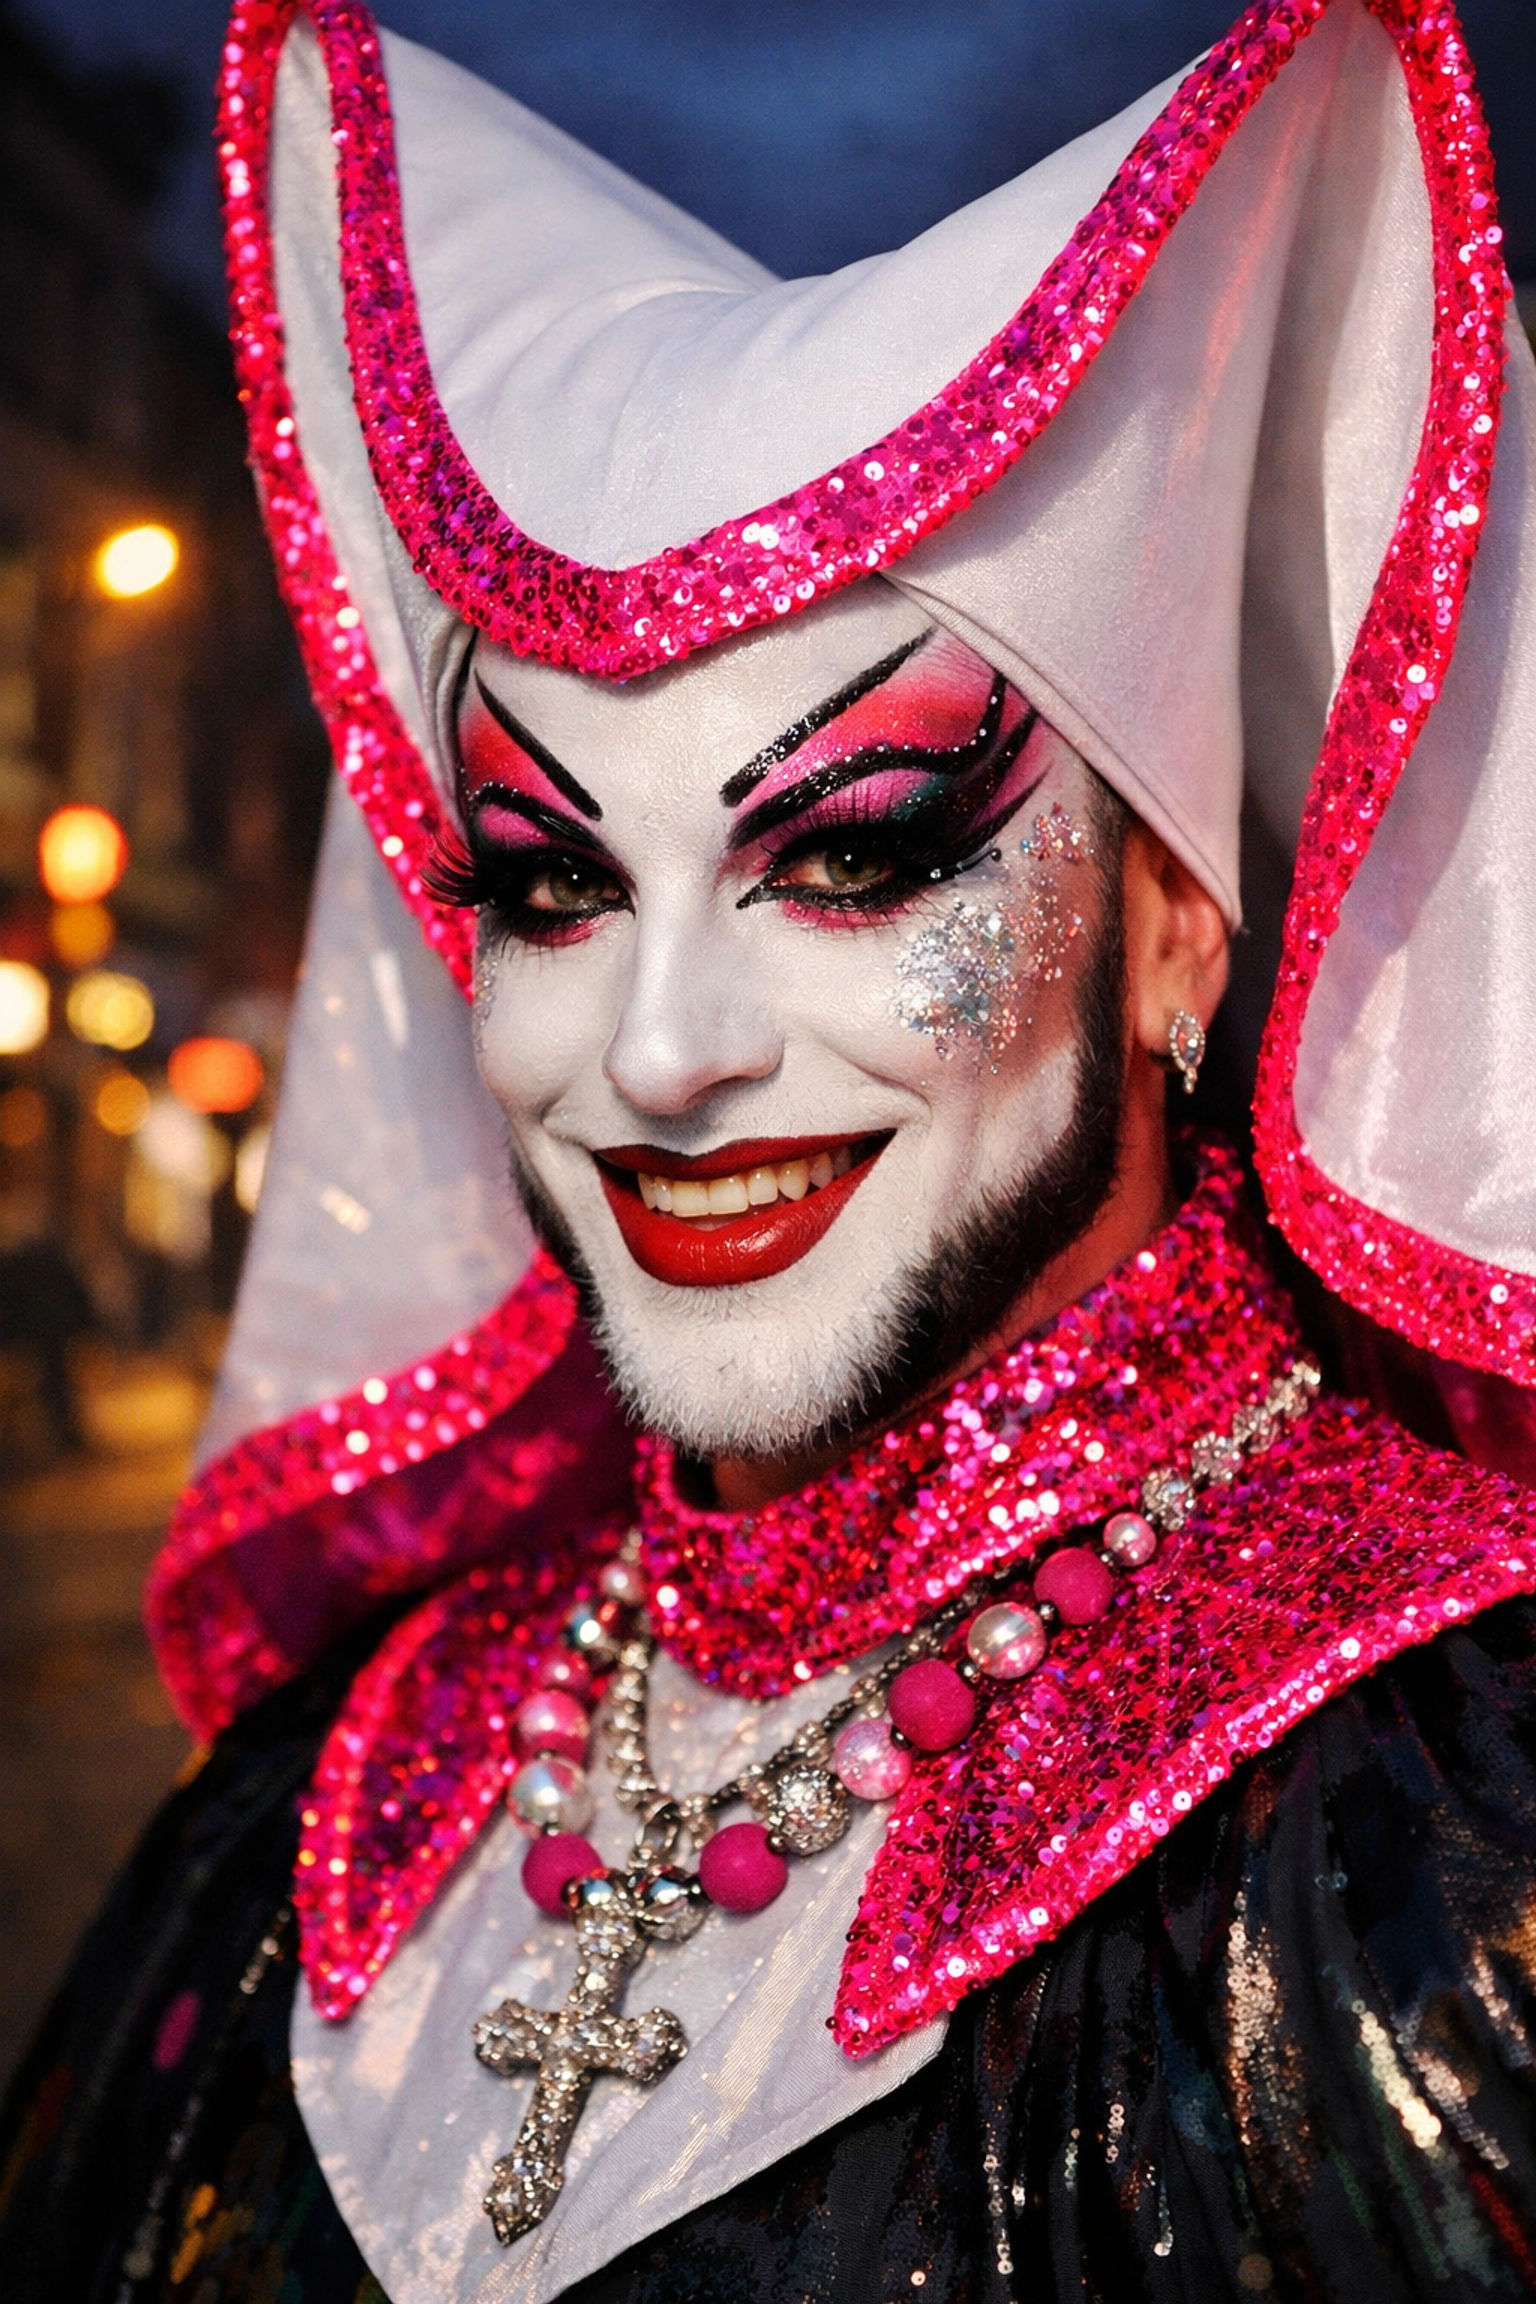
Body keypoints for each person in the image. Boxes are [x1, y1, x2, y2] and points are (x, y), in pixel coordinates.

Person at [5, 0, 1536, 2295]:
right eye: (549, 884)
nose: (655, 1054)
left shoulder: (1453, 1837)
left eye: (853, 859)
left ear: (1172, 931)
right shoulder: (335, 1805)